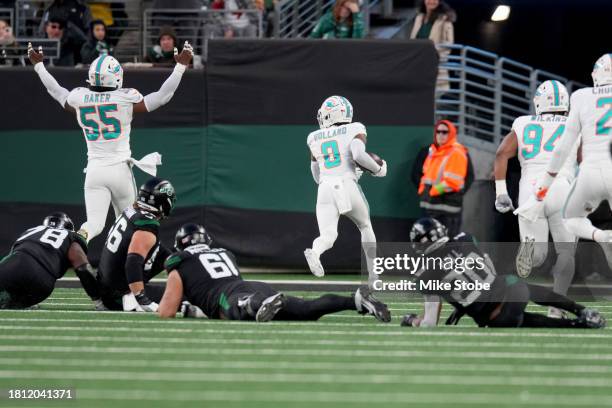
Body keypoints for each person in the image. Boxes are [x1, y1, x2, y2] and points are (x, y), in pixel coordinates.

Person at [27, 40, 192, 243]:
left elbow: (57, 91)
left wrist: (39, 66)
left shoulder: (80, 98)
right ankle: (122, 267)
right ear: (116, 77)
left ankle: (76, 242)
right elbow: (162, 96)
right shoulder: (124, 99)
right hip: (120, 170)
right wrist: (180, 67)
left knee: (93, 225)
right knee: (128, 227)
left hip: (95, 171)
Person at [159, 223, 391, 322]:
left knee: (234, 310)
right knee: (306, 309)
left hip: (232, 297)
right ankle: (356, 301)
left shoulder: (181, 262)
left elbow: (166, 312)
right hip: (254, 286)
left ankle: (254, 305)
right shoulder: (223, 252)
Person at [401, 217, 605, 329]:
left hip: (495, 316)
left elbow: (429, 323)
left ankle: (578, 324)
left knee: (520, 320)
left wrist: (412, 321)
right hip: (510, 288)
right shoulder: (465, 238)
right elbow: (486, 268)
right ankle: (582, 310)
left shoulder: (424, 273)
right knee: (523, 287)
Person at [494, 80, 578, 317]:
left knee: (538, 258)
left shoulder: (523, 123)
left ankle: (530, 250)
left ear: (538, 102)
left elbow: (501, 153)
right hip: (562, 187)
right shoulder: (575, 122)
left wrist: (501, 192)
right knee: (566, 252)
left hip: (531, 190)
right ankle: (556, 307)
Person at [524, 55, 612, 252]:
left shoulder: (581, 96)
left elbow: (563, 148)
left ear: (596, 75)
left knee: (572, 221)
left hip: (592, 172)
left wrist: (542, 189)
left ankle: (602, 236)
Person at [304, 96, 387, 283]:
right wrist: (378, 170)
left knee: (328, 236)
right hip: (347, 183)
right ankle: (373, 274)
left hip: (324, 187)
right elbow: (358, 154)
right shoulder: (355, 128)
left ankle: (315, 252)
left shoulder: (313, 137)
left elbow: (316, 173)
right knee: (365, 225)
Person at [96, 178, 176, 312]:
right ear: (163, 202)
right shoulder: (147, 224)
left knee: (164, 254)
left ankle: (131, 292)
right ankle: (132, 296)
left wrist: (179, 264)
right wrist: (141, 298)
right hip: (118, 294)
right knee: (183, 296)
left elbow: (160, 252)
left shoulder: (131, 210)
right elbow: (133, 262)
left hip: (105, 286)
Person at [0, 212, 100, 309]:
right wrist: (98, 299)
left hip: (12, 266)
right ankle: (21, 302)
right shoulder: (70, 235)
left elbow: (12, 255)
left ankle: (12, 300)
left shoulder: (31, 231)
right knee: (23, 298)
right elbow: (82, 267)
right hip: (41, 281)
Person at [418, 120, 468, 237]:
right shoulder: (434, 151)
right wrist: (422, 190)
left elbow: (453, 182)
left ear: (451, 133)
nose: (440, 134)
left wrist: (433, 191)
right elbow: (427, 175)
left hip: (446, 211)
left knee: (446, 248)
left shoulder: (456, 152)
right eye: (438, 132)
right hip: (430, 207)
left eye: (444, 132)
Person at [409, 0, 455, 91]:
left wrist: (434, 58)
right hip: (418, 66)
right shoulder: (419, 18)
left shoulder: (444, 19)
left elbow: (449, 44)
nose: (431, 1)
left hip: (434, 67)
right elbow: (412, 41)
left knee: (432, 98)